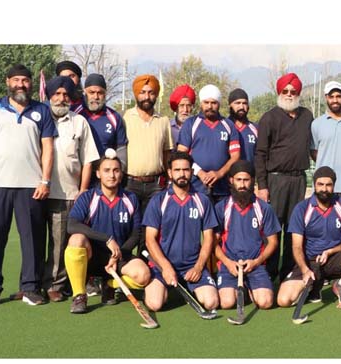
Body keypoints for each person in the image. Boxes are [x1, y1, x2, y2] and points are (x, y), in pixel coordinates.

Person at [0, 64, 55, 307]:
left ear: (31, 83)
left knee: (32, 241)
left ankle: (30, 287)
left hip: (32, 186)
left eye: (25, 80)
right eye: (16, 80)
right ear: (8, 81)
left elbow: (48, 147)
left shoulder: (42, 110)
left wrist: (45, 180)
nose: (21, 84)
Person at [64, 150, 151, 313]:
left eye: (116, 170)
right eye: (107, 170)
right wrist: (107, 239)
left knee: (143, 275)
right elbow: (72, 225)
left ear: (121, 173)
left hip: (118, 256)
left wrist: (119, 255)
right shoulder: (88, 197)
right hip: (92, 256)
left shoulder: (130, 199)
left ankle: (109, 284)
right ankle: (79, 295)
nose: (111, 175)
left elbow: (136, 233)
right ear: (98, 174)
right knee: (76, 239)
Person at [278, 167, 341, 308]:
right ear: (315, 185)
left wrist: (330, 251)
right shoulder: (302, 208)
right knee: (284, 300)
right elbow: (296, 246)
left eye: (328, 185)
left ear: (333, 186)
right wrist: (305, 270)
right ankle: (313, 286)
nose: (324, 189)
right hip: (310, 261)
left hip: (334, 259)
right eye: (320, 184)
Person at [42, 76, 100, 302]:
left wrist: (83, 190)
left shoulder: (79, 122)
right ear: (50, 96)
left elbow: (88, 160)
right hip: (38, 192)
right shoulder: (41, 118)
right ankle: (33, 282)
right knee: (36, 242)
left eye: (65, 94)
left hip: (67, 193)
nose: (61, 98)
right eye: (57, 94)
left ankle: (56, 285)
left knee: (60, 243)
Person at [142, 151, 219, 312]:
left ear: (191, 171)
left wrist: (198, 267)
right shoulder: (159, 200)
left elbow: (209, 238)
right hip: (162, 266)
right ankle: (167, 287)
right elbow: (149, 239)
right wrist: (166, 267)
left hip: (191, 265)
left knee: (211, 302)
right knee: (154, 304)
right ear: (169, 173)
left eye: (186, 170)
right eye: (177, 170)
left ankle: (184, 284)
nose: (182, 174)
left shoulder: (202, 200)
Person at [254, 72, 314, 281]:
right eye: (285, 91)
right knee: (273, 228)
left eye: (293, 91)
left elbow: (313, 147)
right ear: (279, 92)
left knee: (295, 227)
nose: (289, 94)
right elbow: (260, 154)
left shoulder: (307, 116)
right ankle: (268, 272)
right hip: (275, 180)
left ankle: (288, 269)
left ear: (298, 93)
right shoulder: (269, 117)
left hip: (298, 180)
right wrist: (262, 186)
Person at [214, 161, 279, 310]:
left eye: (246, 180)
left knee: (266, 302)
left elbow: (273, 242)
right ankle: (240, 286)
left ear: (252, 181)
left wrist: (257, 262)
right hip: (229, 266)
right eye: (238, 180)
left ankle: (249, 287)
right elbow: (213, 243)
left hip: (255, 265)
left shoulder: (264, 208)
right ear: (231, 181)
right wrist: (228, 262)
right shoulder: (221, 208)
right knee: (226, 303)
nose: (242, 184)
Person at [124, 74, 173, 255]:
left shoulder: (163, 121)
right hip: (130, 182)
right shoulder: (126, 118)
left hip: (155, 185)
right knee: (129, 227)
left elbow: (167, 153)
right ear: (136, 94)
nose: (147, 96)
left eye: (151, 93)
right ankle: (126, 268)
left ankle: (149, 268)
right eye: (143, 92)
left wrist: (168, 180)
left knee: (151, 228)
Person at [176, 84, 241, 202]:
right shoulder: (191, 124)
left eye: (213, 103)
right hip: (195, 187)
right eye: (206, 102)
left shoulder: (228, 125)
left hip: (222, 189)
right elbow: (181, 154)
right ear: (201, 103)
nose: (210, 106)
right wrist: (200, 173)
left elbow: (235, 156)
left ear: (219, 104)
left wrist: (219, 173)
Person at [310, 81, 341, 197]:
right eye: (331, 97)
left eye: (338, 96)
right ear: (326, 98)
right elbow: (314, 152)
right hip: (323, 186)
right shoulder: (316, 124)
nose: (335, 100)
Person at [77, 73, 128, 163]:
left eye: (100, 93)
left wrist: (120, 169)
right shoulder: (75, 114)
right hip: (80, 173)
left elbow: (121, 148)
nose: (96, 97)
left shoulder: (114, 117)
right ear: (85, 93)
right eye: (92, 92)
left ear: (105, 94)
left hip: (105, 174)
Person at [227, 88, 258, 163]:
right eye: (237, 103)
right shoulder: (223, 127)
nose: (241, 107)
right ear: (230, 105)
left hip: (251, 173)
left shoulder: (256, 129)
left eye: (244, 103)